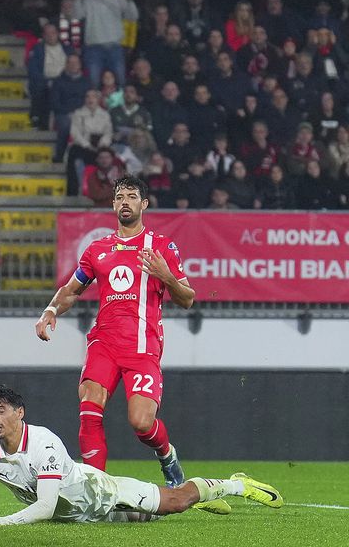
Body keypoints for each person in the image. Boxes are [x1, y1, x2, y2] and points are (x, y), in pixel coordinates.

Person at [33, 176, 229, 514]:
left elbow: (188, 299)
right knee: (89, 405)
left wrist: (165, 275)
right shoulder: (98, 250)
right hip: (104, 343)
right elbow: (72, 289)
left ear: (144, 205)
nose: (125, 201)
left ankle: (167, 457)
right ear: (113, 205)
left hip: (142, 348)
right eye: (119, 197)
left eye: (132, 196)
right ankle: (94, 490)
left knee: (140, 422)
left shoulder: (161, 246)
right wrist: (50, 310)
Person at [0, 385, 282, 527]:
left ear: (20, 413)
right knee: (143, 521)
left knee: (174, 502)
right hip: (78, 518)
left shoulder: (45, 444)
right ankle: (201, 497)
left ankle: (236, 484)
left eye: (2, 410)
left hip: (101, 492)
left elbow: (42, 508)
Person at [73, 0, 139, 87]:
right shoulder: (89, 0)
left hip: (115, 47)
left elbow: (133, 16)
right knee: (94, 82)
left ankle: (119, 105)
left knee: (120, 81)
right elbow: (77, 15)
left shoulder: (119, 0)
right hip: (94, 48)